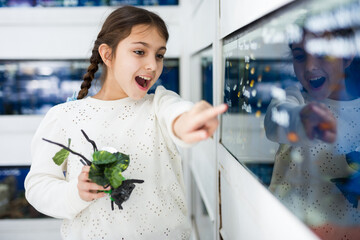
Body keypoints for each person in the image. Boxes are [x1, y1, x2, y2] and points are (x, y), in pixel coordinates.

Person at [24, 6, 227, 240]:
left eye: (159, 55)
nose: (153, 65)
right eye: (140, 52)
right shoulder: (64, 116)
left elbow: (177, 115)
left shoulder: (159, 103)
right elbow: (38, 186)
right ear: (107, 54)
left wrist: (189, 121)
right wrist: (76, 193)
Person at [264, 29, 360, 239]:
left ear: (348, 55)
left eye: (323, 54)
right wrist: (301, 118)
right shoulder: (295, 97)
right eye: (300, 56)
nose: (309, 67)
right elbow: (275, 119)